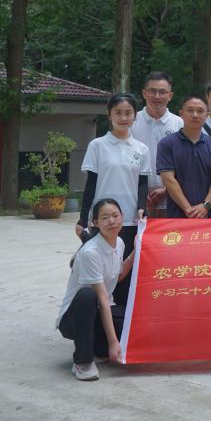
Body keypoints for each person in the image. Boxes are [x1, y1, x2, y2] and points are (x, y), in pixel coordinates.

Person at [76, 93, 150, 306]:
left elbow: (142, 183)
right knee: (101, 272)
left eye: (128, 113)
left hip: (129, 220)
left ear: (135, 116)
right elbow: (91, 183)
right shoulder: (97, 145)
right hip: (103, 220)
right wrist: (83, 218)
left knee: (125, 273)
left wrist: (142, 207)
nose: (123, 117)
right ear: (109, 115)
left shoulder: (141, 149)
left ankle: (121, 316)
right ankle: (99, 314)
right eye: (118, 112)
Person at [57, 199, 135, 381]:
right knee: (88, 295)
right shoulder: (90, 252)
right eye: (105, 217)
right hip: (75, 317)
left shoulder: (120, 242)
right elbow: (102, 298)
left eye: (115, 216)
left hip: (100, 310)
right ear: (95, 223)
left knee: (133, 328)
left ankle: (98, 349)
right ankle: (82, 361)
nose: (112, 221)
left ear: (122, 217)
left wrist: (135, 252)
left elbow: (117, 275)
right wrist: (113, 342)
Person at [156, 94, 211, 218]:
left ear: (207, 115)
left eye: (200, 111)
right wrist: (188, 209)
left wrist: (206, 205)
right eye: (190, 110)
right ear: (181, 114)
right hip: (177, 215)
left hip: (208, 215)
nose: (195, 115)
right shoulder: (167, 144)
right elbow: (168, 180)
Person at [131, 71, 183, 216]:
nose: (157, 96)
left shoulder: (181, 125)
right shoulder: (131, 122)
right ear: (144, 93)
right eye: (152, 91)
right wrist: (141, 191)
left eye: (162, 92)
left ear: (170, 95)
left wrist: (167, 190)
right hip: (135, 199)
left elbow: (188, 164)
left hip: (174, 200)